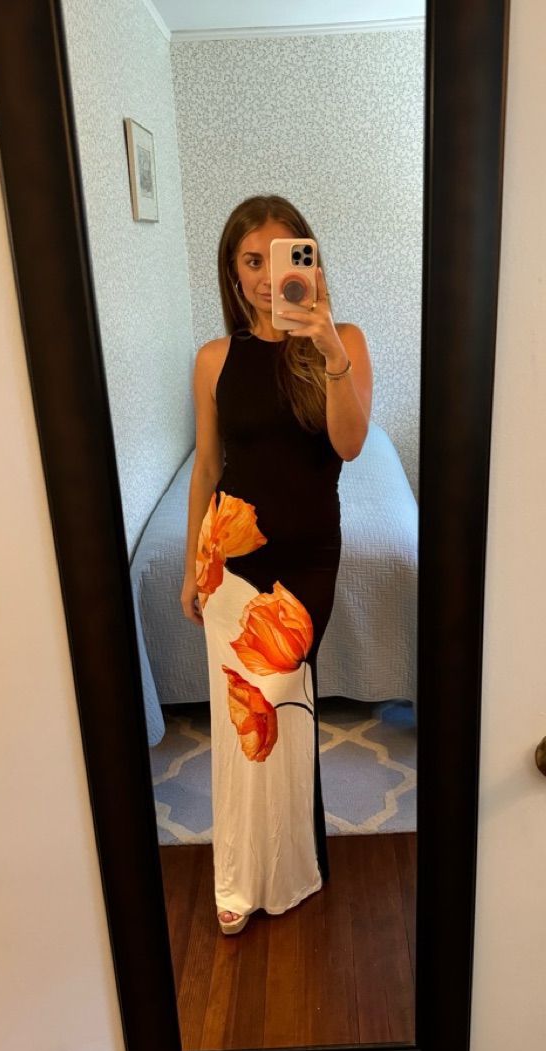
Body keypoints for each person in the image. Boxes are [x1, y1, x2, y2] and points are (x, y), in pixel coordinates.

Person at [179, 195, 373, 934]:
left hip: (307, 560)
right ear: (232, 272)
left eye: (283, 257)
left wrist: (329, 350)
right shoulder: (213, 359)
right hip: (228, 558)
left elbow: (349, 445)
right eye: (251, 261)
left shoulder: (341, 340)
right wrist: (190, 565)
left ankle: (289, 866)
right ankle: (240, 873)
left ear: (310, 261)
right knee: (242, 723)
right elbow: (207, 466)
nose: (267, 276)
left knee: (281, 698)